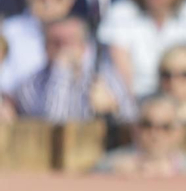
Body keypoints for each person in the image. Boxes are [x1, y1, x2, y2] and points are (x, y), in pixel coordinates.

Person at [8, 13, 137, 123]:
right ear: (45, 47)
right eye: (57, 43)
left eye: (70, 42)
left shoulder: (105, 77)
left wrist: (113, 109)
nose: (64, 49)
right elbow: (53, 124)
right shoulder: (31, 85)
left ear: (83, 47)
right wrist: (60, 72)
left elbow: (133, 119)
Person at [1, 0, 79, 95]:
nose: (48, 3)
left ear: (71, 1)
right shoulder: (7, 32)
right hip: (16, 112)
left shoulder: (79, 35)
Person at [93, 93, 186, 174]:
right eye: (147, 125)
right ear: (135, 129)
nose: (155, 134)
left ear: (178, 133)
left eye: (165, 127)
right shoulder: (112, 165)